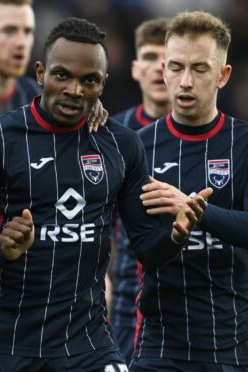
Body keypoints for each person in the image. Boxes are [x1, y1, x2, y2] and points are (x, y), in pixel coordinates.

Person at [0, 17, 211, 371]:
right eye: (62, 76)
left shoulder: (121, 145)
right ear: (40, 74)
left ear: (103, 83)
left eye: (89, 80)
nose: (75, 90)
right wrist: (1, 250)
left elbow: (148, 249)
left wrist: (177, 234)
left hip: (88, 343)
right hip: (7, 341)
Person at [0, 1, 107, 369]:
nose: (21, 41)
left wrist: (90, 109)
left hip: (16, 287)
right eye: (9, 31)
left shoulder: (41, 100)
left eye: (28, 32)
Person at [132, 11, 248, 371]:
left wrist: (191, 210)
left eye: (200, 69)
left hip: (234, 349)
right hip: (159, 350)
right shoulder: (136, 148)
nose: (185, 81)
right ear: (163, 68)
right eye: (176, 67)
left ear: (223, 75)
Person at [108, 18, 171, 364]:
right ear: (135, 68)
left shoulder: (211, 140)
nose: (159, 68)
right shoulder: (110, 135)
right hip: (126, 300)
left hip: (189, 299)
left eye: (169, 59)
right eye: (149, 56)